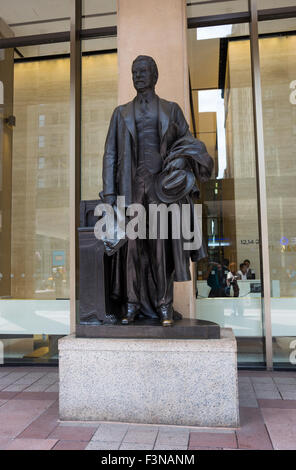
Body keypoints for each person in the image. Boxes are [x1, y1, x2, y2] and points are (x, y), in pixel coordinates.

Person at [101, 55, 213, 326]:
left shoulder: (171, 110)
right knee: (132, 251)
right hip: (131, 188)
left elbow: (188, 143)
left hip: (162, 189)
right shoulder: (121, 113)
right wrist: (108, 193)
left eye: (143, 71)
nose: (138, 75)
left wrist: (180, 163)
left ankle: (164, 305)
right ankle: (131, 304)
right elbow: (110, 155)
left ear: (155, 75)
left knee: (160, 249)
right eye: (134, 71)